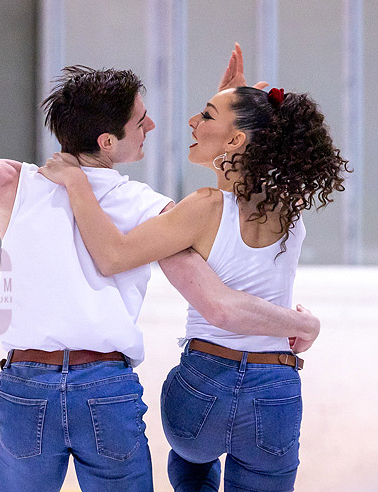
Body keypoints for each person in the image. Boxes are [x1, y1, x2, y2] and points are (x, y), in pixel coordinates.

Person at [0, 11, 321, 492]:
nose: (154, 127)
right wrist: (294, 323)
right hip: (106, 393)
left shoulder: (12, 184)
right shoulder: (153, 209)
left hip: (26, 390)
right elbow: (217, 299)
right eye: (142, 121)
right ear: (108, 141)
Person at [39, 82, 349, 491]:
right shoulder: (288, 209)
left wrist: (77, 183)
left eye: (204, 116)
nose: (191, 122)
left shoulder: (203, 207)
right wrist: (232, 102)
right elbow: (243, 179)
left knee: (191, 458)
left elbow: (113, 255)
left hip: (205, 387)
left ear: (236, 139)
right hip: (276, 389)